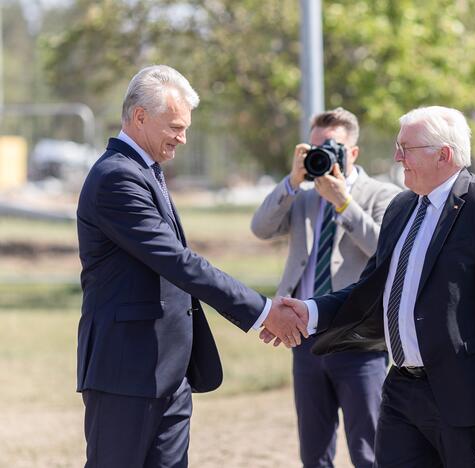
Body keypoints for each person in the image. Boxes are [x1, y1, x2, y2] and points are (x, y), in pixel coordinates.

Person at [266, 106, 475, 468]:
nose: (397, 157)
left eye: (406, 148)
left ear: (444, 154)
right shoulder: (402, 207)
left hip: (467, 396)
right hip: (401, 392)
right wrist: (310, 310)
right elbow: (371, 289)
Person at [76, 65, 307, 468]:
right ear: (140, 117)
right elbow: (178, 262)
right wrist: (263, 312)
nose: (183, 138)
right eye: (176, 127)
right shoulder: (116, 178)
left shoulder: (146, 173)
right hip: (126, 373)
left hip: (169, 373)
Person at [251, 107, 400, 468]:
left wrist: (343, 203)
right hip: (304, 336)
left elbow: (388, 251)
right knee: (314, 451)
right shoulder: (302, 194)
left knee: (369, 449)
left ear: (353, 152)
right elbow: (261, 228)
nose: (324, 154)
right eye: (315, 147)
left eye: (332, 147)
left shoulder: (383, 194)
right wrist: (291, 180)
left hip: (358, 339)